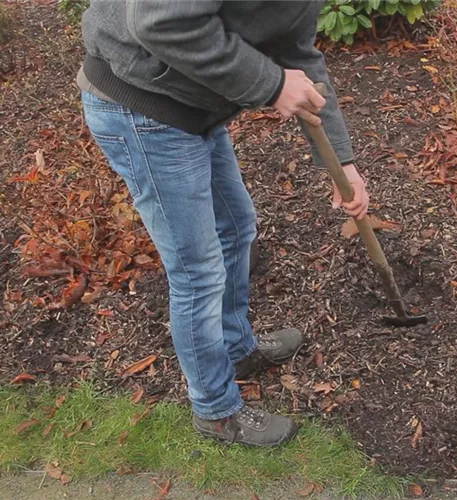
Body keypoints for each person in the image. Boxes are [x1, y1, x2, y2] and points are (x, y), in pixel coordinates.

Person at [77, 0, 370, 447]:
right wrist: (271, 85)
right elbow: (161, 21)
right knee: (197, 269)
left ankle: (235, 348)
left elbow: (299, 55)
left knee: (236, 229)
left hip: (198, 106)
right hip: (142, 108)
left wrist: (343, 162)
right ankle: (215, 411)